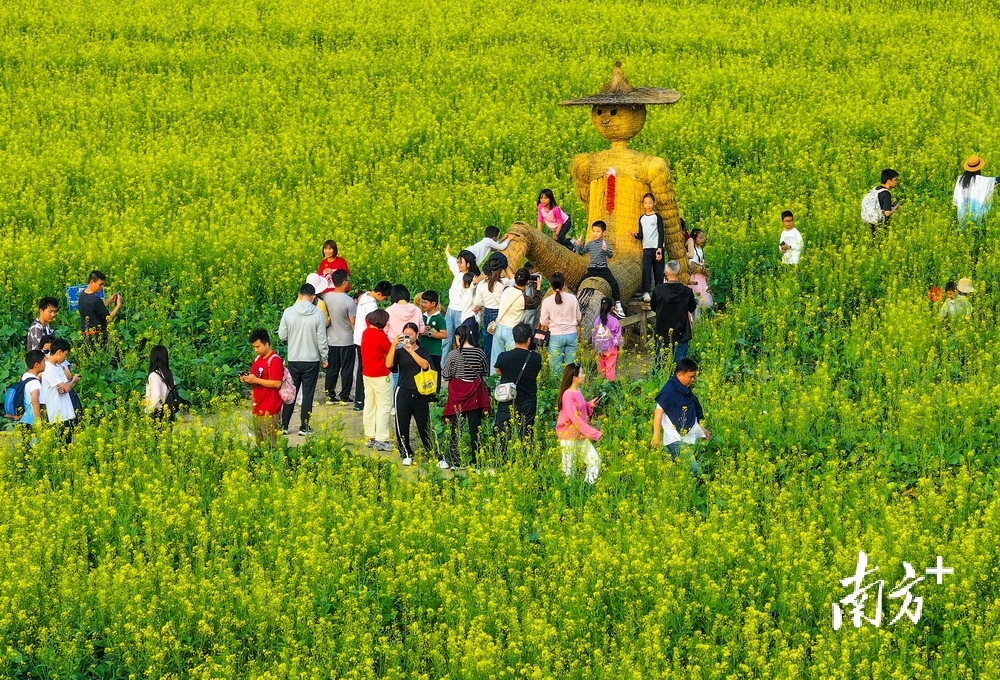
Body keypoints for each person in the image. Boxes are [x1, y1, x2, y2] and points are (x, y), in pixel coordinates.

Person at [277, 282, 328, 436]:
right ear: (313, 297)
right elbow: (322, 340)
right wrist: (324, 357)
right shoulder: (318, 314)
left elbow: (282, 335)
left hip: (294, 358)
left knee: (290, 392)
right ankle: (304, 427)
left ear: (299, 296)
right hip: (311, 359)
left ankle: (284, 425)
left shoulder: (288, 312)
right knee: (308, 394)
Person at [440, 325, 490, 470]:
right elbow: (484, 372)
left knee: (456, 429)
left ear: (458, 337)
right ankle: (477, 461)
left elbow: (446, 375)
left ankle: (455, 461)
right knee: (475, 429)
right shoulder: (480, 353)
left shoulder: (453, 355)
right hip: (475, 396)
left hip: (457, 395)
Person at [650, 358, 709, 475]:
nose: (693, 380)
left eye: (694, 377)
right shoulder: (669, 390)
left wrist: (701, 430)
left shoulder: (683, 388)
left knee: (680, 470)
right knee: (694, 470)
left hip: (683, 436)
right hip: (674, 439)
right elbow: (658, 412)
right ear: (679, 374)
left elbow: (689, 413)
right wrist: (656, 436)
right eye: (691, 377)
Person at [387, 322, 433, 466]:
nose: (408, 336)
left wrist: (411, 351)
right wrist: (394, 345)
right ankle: (405, 452)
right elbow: (388, 365)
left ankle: (431, 451)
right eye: (405, 333)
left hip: (420, 392)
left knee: (424, 424)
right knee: (402, 424)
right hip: (403, 391)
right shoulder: (399, 352)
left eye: (411, 334)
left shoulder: (423, 350)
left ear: (417, 335)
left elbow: (425, 366)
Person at [494, 323, 542, 443]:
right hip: (528, 400)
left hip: (508, 399)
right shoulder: (536, 358)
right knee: (527, 434)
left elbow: (498, 372)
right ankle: (526, 455)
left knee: (502, 433)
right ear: (529, 339)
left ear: (514, 337)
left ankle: (501, 456)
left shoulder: (504, 356)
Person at [556, 363, 602, 484]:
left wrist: (589, 405)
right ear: (574, 377)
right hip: (569, 437)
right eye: (581, 373)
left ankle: (588, 487)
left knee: (594, 461)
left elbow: (579, 409)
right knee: (568, 470)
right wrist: (594, 434)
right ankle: (568, 495)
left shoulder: (577, 391)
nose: (584, 375)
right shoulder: (567, 395)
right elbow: (575, 419)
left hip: (580, 435)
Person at [240, 329, 284, 448]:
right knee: (261, 444)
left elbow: (277, 383)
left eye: (258, 347)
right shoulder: (257, 359)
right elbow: (255, 378)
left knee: (271, 444)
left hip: (269, 408)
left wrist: (255, 380)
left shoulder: (274, 360)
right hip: (257, 407)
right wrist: (247, 379)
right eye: (254, 347)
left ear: (266, 344)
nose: (256, 350)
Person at [572, 221, 626, 319]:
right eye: (594, 231)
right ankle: (576, 304)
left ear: (603, 232)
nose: (595, 233)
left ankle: (618, 305)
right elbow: (581, 252)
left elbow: (610, 255)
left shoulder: (605, 243)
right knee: (579, 283)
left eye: (598, 231)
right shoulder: (590, 243)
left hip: (603, 269)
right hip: (592, 269)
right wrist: (578, 245)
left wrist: (606, 250)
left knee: (614, 283)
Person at [352, 280, 392, 412]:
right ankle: (361, 399)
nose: (383, 300)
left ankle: (359, 400)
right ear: (379, 294)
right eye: (384, 298)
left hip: (359, 338)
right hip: (368, 340)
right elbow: (372, 324)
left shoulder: (364, 297)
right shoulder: (371, 306)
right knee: (365, 369)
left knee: (361, 369)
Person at [651, 260, 697, 370]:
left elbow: (654, 307)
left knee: (659, 364)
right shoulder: (687, 292)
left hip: (662, 332)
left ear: (665, 272)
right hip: (682, 331)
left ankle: (658, 383)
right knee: (681, 365)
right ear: (680, 271)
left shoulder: (658, 290)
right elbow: (692, 308)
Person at [361, 309, 393, 452]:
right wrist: (395, 342)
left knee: (370, 405)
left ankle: (370, 436)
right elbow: (390, 352)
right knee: (384, 406)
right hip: (381, 375)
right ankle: (382, 438)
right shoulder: (380, 336)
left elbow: (368, 319)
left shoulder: (366, 332)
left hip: (367, 373)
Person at [323, 270, 357, 405]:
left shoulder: (325, 297)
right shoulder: (349, 301)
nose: (349, 283)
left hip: (331, 340)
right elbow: (353, 322)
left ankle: (329, 395)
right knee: (347, 369)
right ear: (343, 283)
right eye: (348, 281)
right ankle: (344, 396)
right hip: (347, 340)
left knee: (332, 369)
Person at [539, 272, 581, 378]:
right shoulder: (572, 298)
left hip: (555, 335)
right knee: (571, 366)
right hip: (571, 334)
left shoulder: (547, 301)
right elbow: (579, 317)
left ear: (550, 284)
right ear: (564, 283)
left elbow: (543, 322)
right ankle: (569, 386)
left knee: (555, 367)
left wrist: (551, 322)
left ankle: (556, 388)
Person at [443, 248, 480, 364]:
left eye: (460, 262)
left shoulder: (472, 278)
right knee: (446, 340)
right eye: (458, 261)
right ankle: (443, 366)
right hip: (450, 310)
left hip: (461, 313)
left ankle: (462, 365)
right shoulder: (458, 273)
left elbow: (476, 294)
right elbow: (451, 261)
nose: (458, 264)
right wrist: (447, 252)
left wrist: (478, 306)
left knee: (462, 340)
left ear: (468, 264)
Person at [473, 260, 510, 363]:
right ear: (500, 270)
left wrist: (480, 306)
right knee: (500, 345)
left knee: (488, 345)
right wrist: (506, 267)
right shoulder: (505, 282)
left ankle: (488, 372)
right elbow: (515, 281)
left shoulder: (481, 284)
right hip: (501, 315)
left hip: (487, 314)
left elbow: (477, 302)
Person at [492, 267, 529, 368]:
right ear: (527, 282)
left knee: (496, 360)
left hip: (499, 327)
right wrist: (538, 289)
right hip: (512, 331)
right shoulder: (524, 298)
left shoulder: (506, 289)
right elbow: (535, 302)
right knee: (512, 362)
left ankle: (493, 381)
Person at [41, 338, 77, 439]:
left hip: (66, 412)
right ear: (59, 352)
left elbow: (65, 388)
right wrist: (73, 381)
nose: (65, 358)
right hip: (57, 414)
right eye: (65, 354)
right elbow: (66, 387)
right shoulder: (49, 368)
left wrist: (66, 387)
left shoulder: (58, 366)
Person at [633, 193, 664, 301]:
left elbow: (661, 233)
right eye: (646, 203)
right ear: (643, 204)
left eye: (650, 203)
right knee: (646, 270)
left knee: (658, 271)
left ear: (654, 203)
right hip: (646, 248)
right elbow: (642, 234)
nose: (648, 205)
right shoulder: (642, 218)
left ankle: (660, 292)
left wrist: (659, 249)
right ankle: (646, 292)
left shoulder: (657, 217)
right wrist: (635, 235)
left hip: (656, 248)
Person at [78, 270, 122, 345]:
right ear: (92, 282)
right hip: (98, 336)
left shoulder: (82, 295)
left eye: (103, 285)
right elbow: (109, 318)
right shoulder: (96, 300)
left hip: (85, 335)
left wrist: (109, 301)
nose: (102, 287)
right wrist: (118, 305)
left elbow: (94, 308)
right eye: (100, 284)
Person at [954, 155, 997, 225]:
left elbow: (957, 198)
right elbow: (996, 180)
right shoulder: (981, 180)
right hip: (978, 216)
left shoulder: (960, 179)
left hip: (962, 215)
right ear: (978, 168)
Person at [420, 291, 447, 393]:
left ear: (433, 303)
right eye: (422, 302)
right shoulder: (422, 316)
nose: (423, 305)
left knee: (435, 372)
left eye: (425, 302)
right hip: (422, 350)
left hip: (435, 351)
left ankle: (436, 395)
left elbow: (444, 334)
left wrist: (429, 333)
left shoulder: (439, 318)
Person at [145, 344, 179, 423]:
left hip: (158, 412)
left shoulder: (154, 375)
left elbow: (156, 395)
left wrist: (148, 410)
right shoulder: (169, 373)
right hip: (169, 411)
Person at [591, 296, 623, 381]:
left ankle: (601, 384)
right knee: (610, 368)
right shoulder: (614, 321)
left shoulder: (597, 320)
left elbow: (594, 334)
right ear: (612, 308)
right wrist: (618, 344)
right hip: (610, 348)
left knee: (601, 368)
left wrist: (594, 345)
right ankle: (609, 386)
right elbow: (618, 336)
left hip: (599, 348)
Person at [861, 169, 900, 236]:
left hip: (869, 221)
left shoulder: (876, 189)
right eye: (895, 180)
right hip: (879, 225)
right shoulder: (886, 193)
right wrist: (895, 208)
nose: (897, 182)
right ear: (888, 181)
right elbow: (887, 213)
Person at [686, 228, 713, 320]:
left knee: (701, 298)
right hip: (694, 279)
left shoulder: (700, 248)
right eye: (700, 238)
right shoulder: (691, 249)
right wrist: (700, 267)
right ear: (694, 238)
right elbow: (691, 263)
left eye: (703, 238)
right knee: (697, 297)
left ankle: (698, 319)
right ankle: (693, 319)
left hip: (701, 278)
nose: (703, 240)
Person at [14, 350, 45, 428]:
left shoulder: (25, 376)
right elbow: (34, 401)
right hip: (31, 420)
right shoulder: (35, 382)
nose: (45, 364)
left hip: (23, 418)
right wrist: (38, 421)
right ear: (37, 364)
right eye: (43, 362)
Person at [522, 262, 543, 329]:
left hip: (532, 307)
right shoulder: (527, 278)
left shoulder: (522, 277)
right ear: (531, 269)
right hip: (530, 307)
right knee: (529, 327)